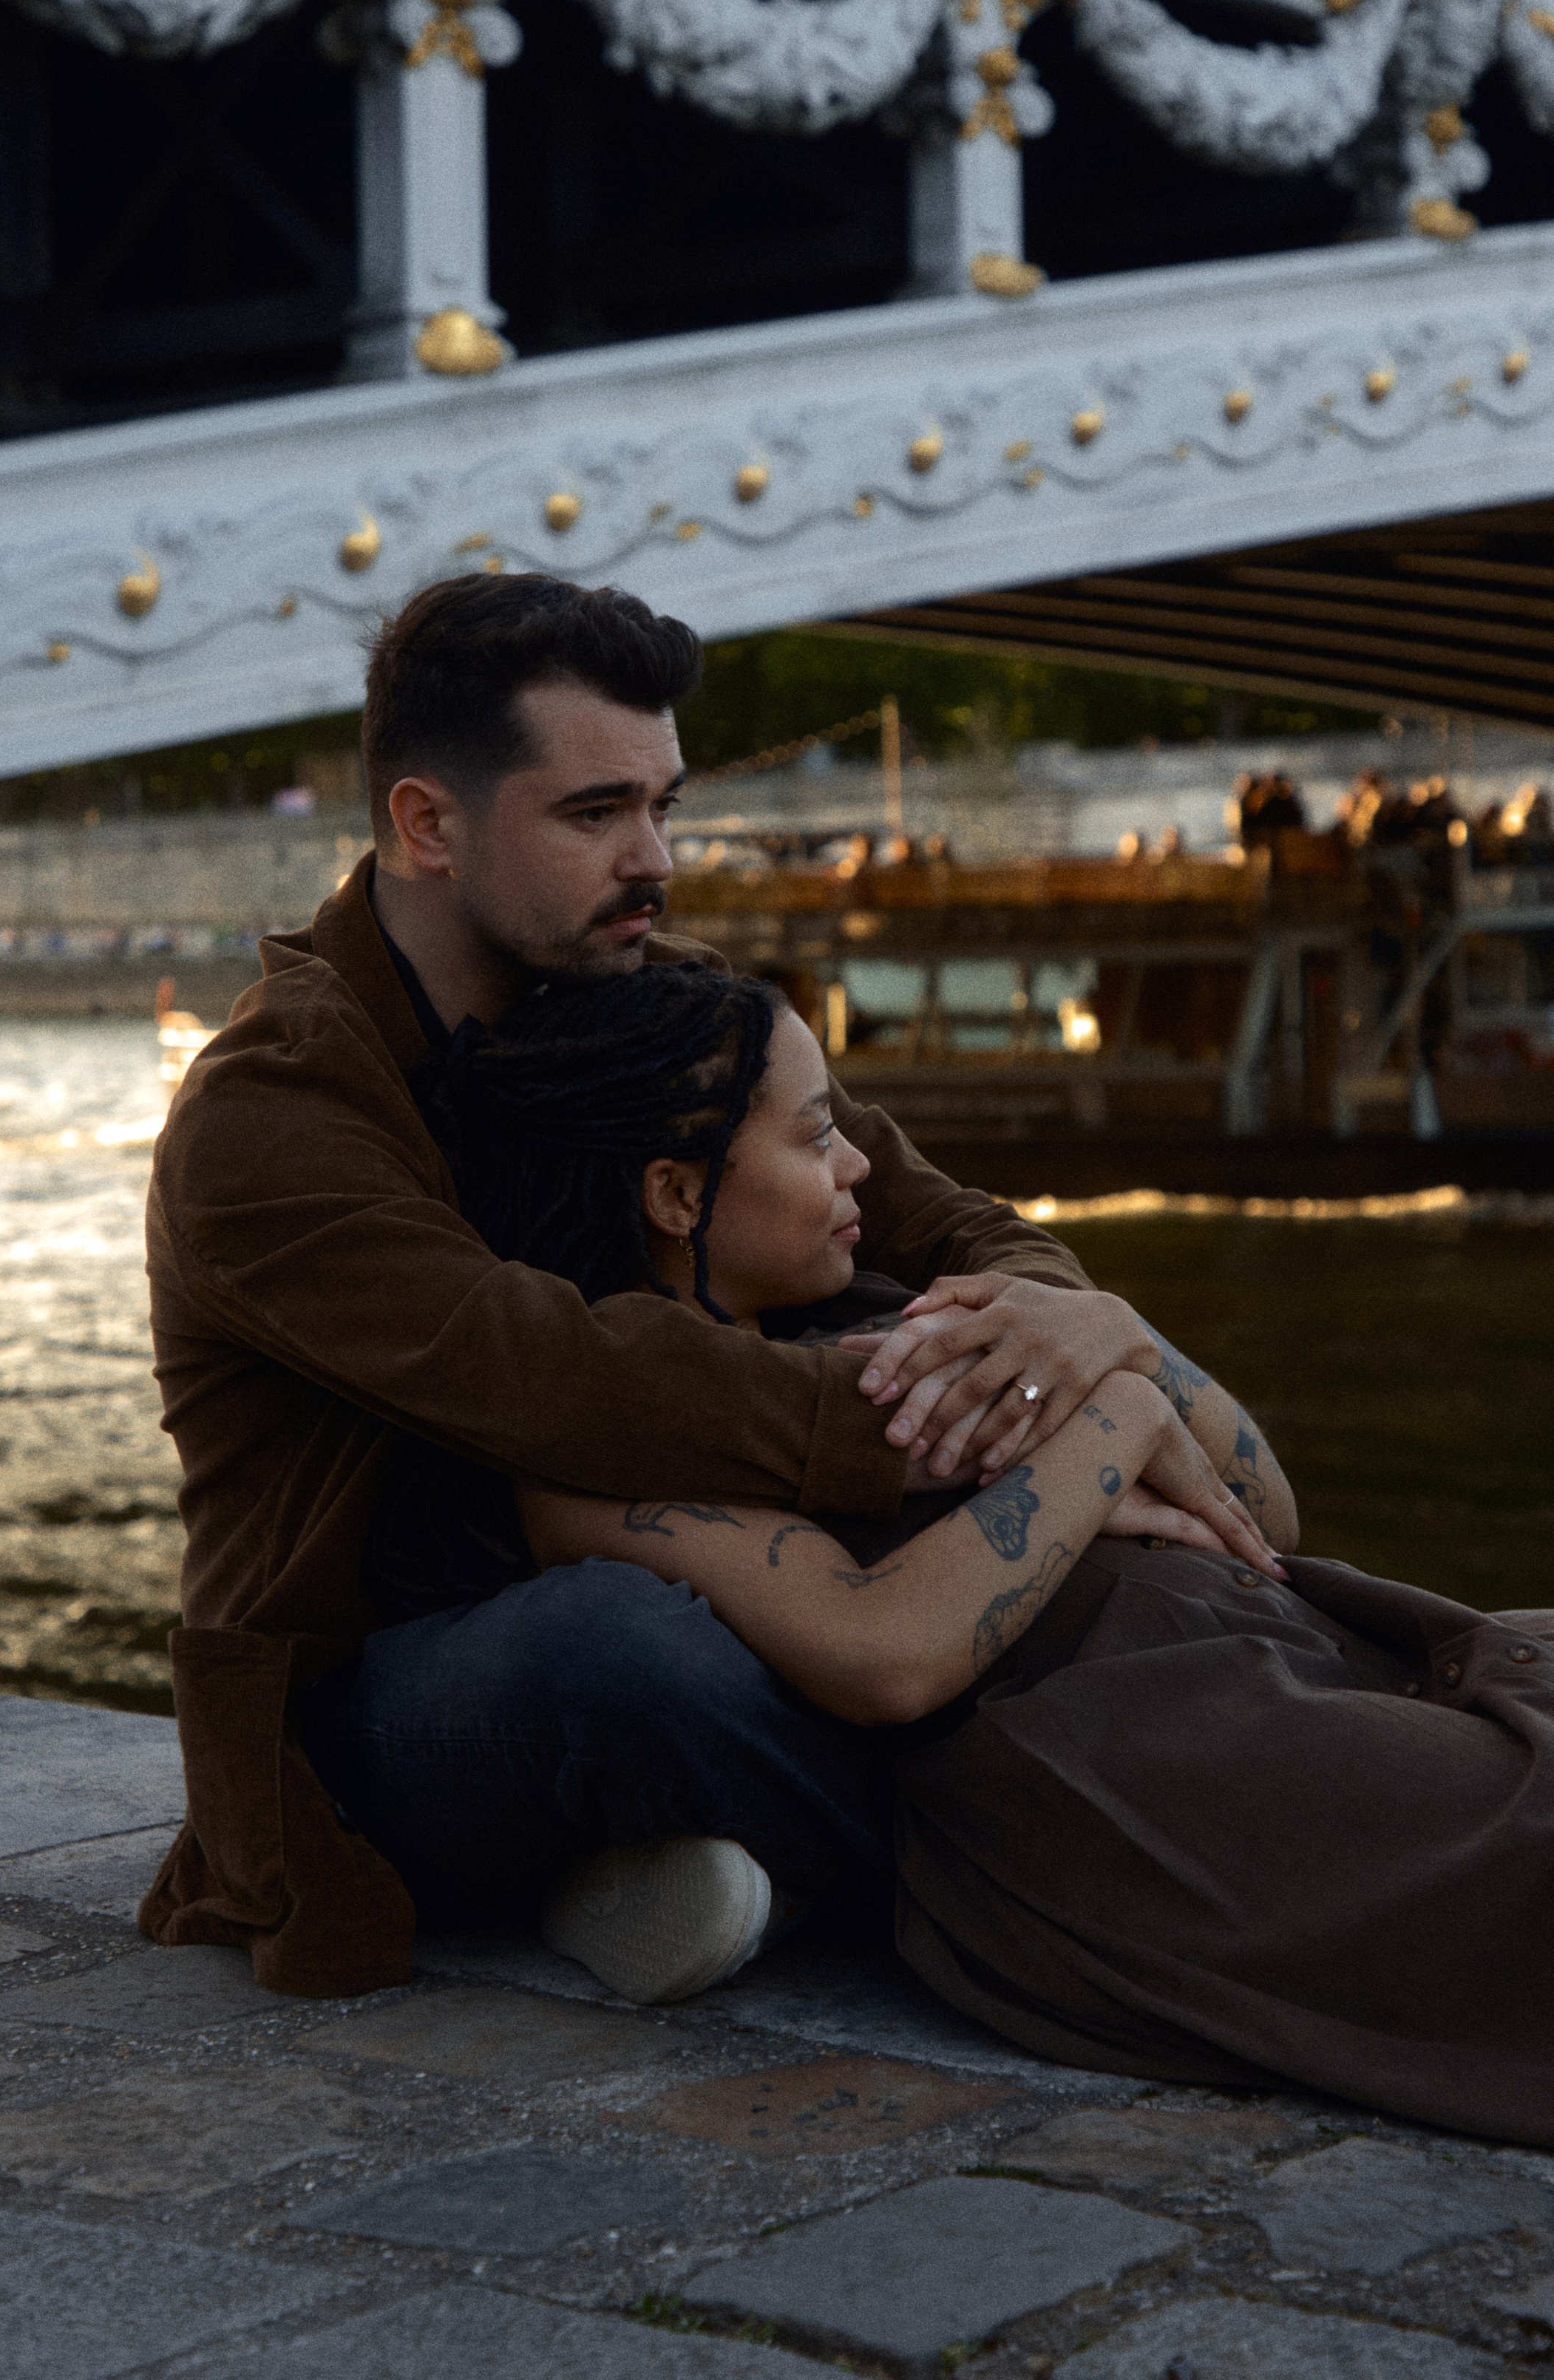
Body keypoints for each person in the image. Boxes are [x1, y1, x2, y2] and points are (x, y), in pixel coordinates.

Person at [447, 962, 1554, 2214]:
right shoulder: (593, 1458)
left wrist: (1109, 1330)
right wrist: (1112, 1428)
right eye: (816, 1137)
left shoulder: (891, 1308)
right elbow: (887, 1653)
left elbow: (1265, 1505)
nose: (864, 1160)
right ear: (677, 1193)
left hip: (1316, 1638)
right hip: (1145, 1767)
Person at [140, 574, 1206, 2001]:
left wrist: (1061, 1317)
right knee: (616, 1649)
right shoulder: (270, 1114)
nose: (655, 861)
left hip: (714, 1575)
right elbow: (556, 1375)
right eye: (596, 815)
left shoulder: (646, 987)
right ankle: (1058, 1877)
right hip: (390, 1701)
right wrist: (960, 1422)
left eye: (664, 806)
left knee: (914, 1587)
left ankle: (721, 1873)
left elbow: (938, 1212)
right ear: (427, 825)